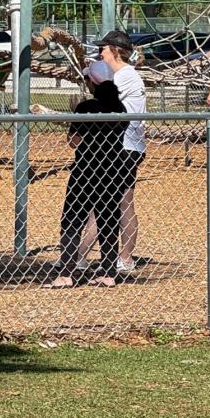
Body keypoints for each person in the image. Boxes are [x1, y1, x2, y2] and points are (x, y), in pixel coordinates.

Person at [47, 62, 129, 288]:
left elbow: (74, 141)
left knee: (72, 220)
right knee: (109, 220)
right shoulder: (120, 109)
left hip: (86, 170)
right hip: (112, 171)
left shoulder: (86, 108)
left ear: (92, 81)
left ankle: (66, 273)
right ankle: (109, 273)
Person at [81, 30, 147, 275]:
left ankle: (125, 257)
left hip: (126, 148)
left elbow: (104, 95)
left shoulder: (127, 76)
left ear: (116, 51)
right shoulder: (119, 75)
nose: (101, 52)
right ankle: (79, 255)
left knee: (121, 203)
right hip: (113, 146)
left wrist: (92, 74)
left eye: (104, 49)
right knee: (101, 203)